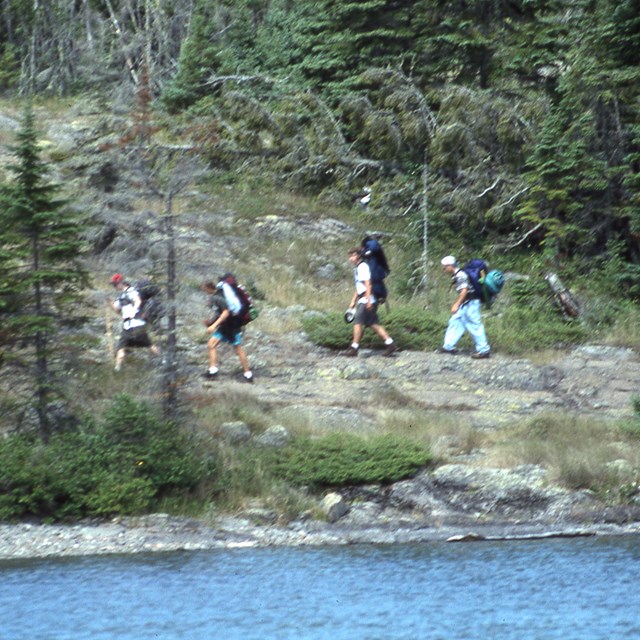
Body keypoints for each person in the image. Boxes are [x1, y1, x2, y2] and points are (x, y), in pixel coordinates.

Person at [343, 247, 397, 357]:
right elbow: (359, 286)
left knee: (358, 323)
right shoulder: (358, 268)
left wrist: (368, 301)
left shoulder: (362, 267)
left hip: (367, 299)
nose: (351, 259)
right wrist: (353, 301)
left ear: (358, 255)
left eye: (352, 256)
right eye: (350, 256)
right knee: (373, 324)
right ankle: (390, 343)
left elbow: (368, 284)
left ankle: (354, 347)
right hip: (366, 298)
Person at [202, 279, 253, 382]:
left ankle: (247, 373)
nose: (204, 291)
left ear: (208, 288)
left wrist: (213, 326)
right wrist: (211, 322)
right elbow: (220, 313)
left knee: (237, 348)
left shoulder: (217, 297)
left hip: (230, 326)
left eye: (204, 289)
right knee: (212, 344)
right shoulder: (220, 294)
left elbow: (225, 313)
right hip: (230, 325)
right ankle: (213, 370)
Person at [439, 255, 490, 359]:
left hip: (471, 303)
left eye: (444, 267)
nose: (443, 269)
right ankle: (448, 346)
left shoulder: (460, 275)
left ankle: (484, 350)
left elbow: (464, 290)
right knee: (455, 321)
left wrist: (456, 304)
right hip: (466, 303)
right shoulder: (459, 274)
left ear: (450, 266)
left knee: (475, 325)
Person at [110, 273, 160, 371]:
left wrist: (133, 311)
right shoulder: (121, 296)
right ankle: (117, 369)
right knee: (123, 348)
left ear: (121, 283)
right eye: (114, 285)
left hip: (136, 324)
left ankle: (163, 360)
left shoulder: (131, 291)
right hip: (129, 326)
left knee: (148, 344)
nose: (114, 287)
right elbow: (117, 309)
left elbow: (137, 301)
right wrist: (111, 303)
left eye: (115, 284)